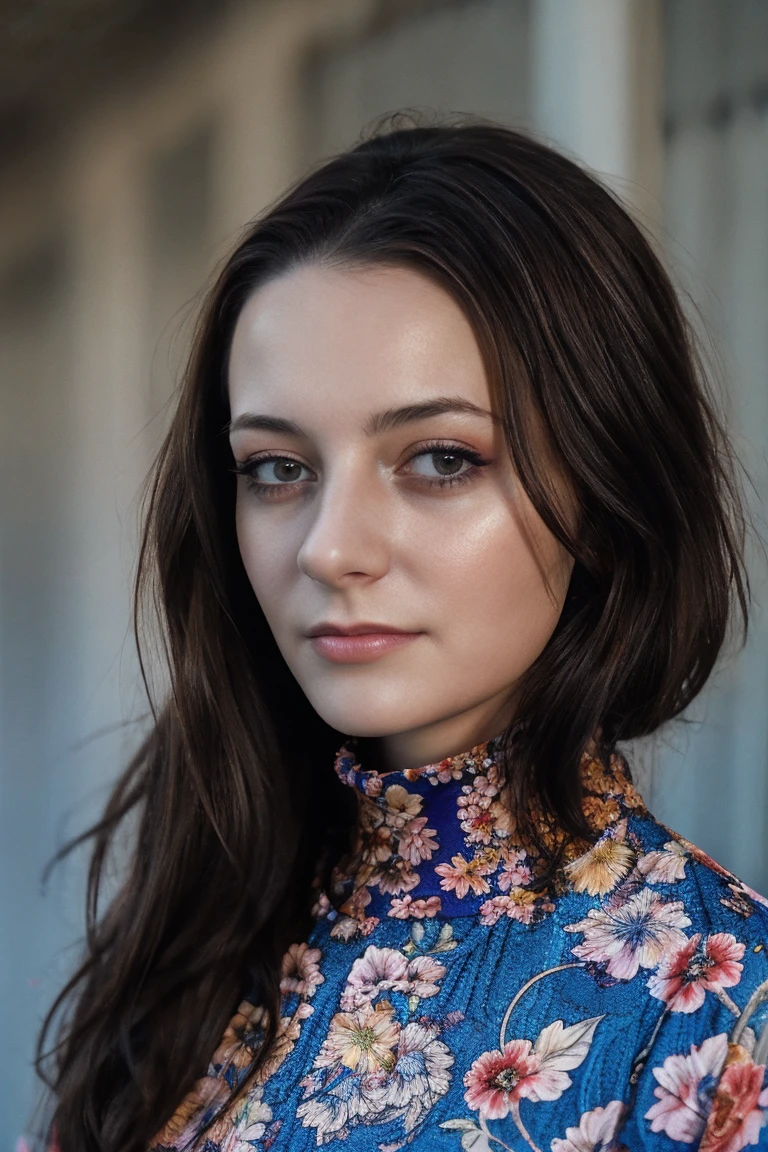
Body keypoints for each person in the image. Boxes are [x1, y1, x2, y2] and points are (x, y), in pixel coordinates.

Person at [33, 117, 768, 1152]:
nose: (331, 551)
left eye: (440, 459)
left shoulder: (720, 1019)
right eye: (277, 468)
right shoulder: (197, 950)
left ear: (607, 491)